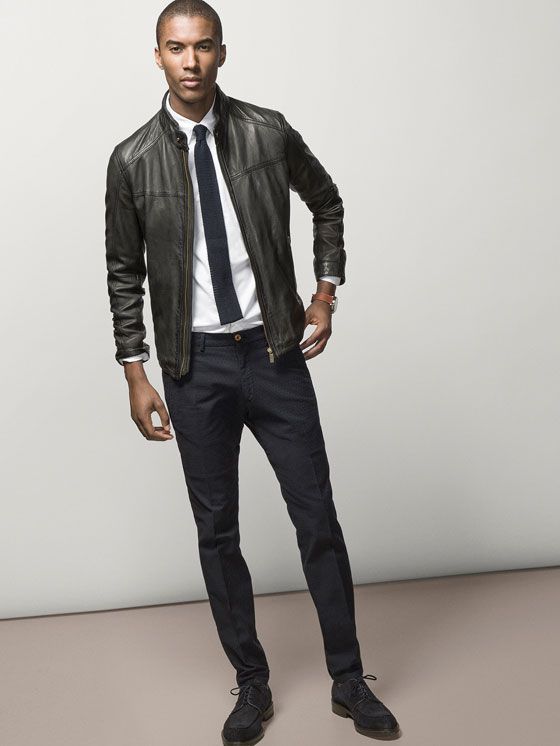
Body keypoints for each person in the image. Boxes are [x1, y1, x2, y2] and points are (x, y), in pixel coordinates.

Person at [104, 1, 400, 742]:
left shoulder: (267, 131)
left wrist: (325, 294)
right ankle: (252, 683)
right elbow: (123, 271)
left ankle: (348, 680)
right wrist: (136, 372)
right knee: (217, 532)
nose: (191, 61)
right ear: (157, 55)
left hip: (274, 353)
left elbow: (326, 201)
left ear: (222, 52)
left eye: (203, 46)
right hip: (193, 366)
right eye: (177, 48)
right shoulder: (132, 160)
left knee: (317, 518)